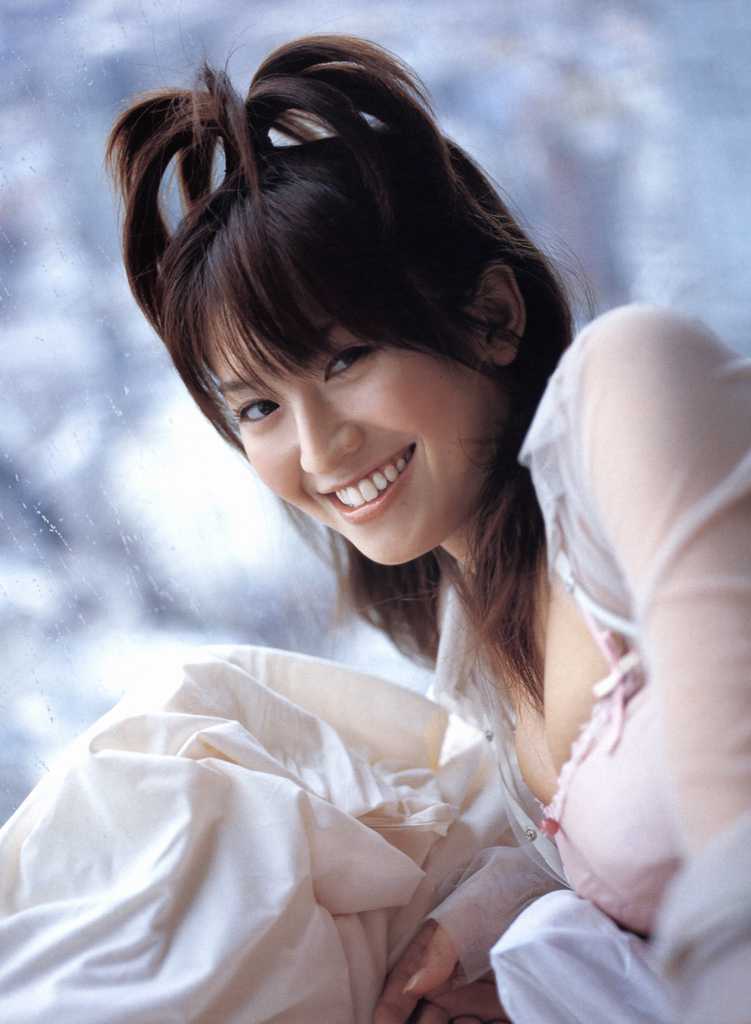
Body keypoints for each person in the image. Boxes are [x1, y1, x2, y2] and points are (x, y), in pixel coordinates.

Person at [27, 31, 751, 1023]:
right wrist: (470, 930)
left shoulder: (628, 387)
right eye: (258, 407)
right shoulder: (472, 657)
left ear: (492, 317)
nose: (317, 448)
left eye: (344, 358)